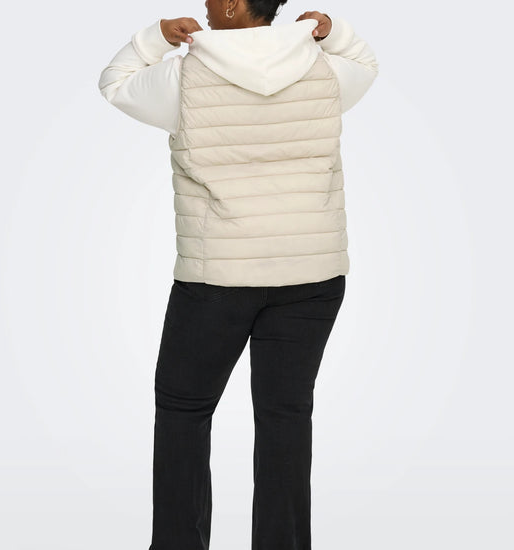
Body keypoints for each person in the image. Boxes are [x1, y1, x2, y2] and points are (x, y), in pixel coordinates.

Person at [98, 2, 378, 549]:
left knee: (184, 410)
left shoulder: (183, 76)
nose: (205, 5)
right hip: (312, 274)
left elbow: (115, 83)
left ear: (231, 6)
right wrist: (333, 31)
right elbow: (365, 64)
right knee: (285, 416)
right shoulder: (323, 69)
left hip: (217, 278)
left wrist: (155, 37)